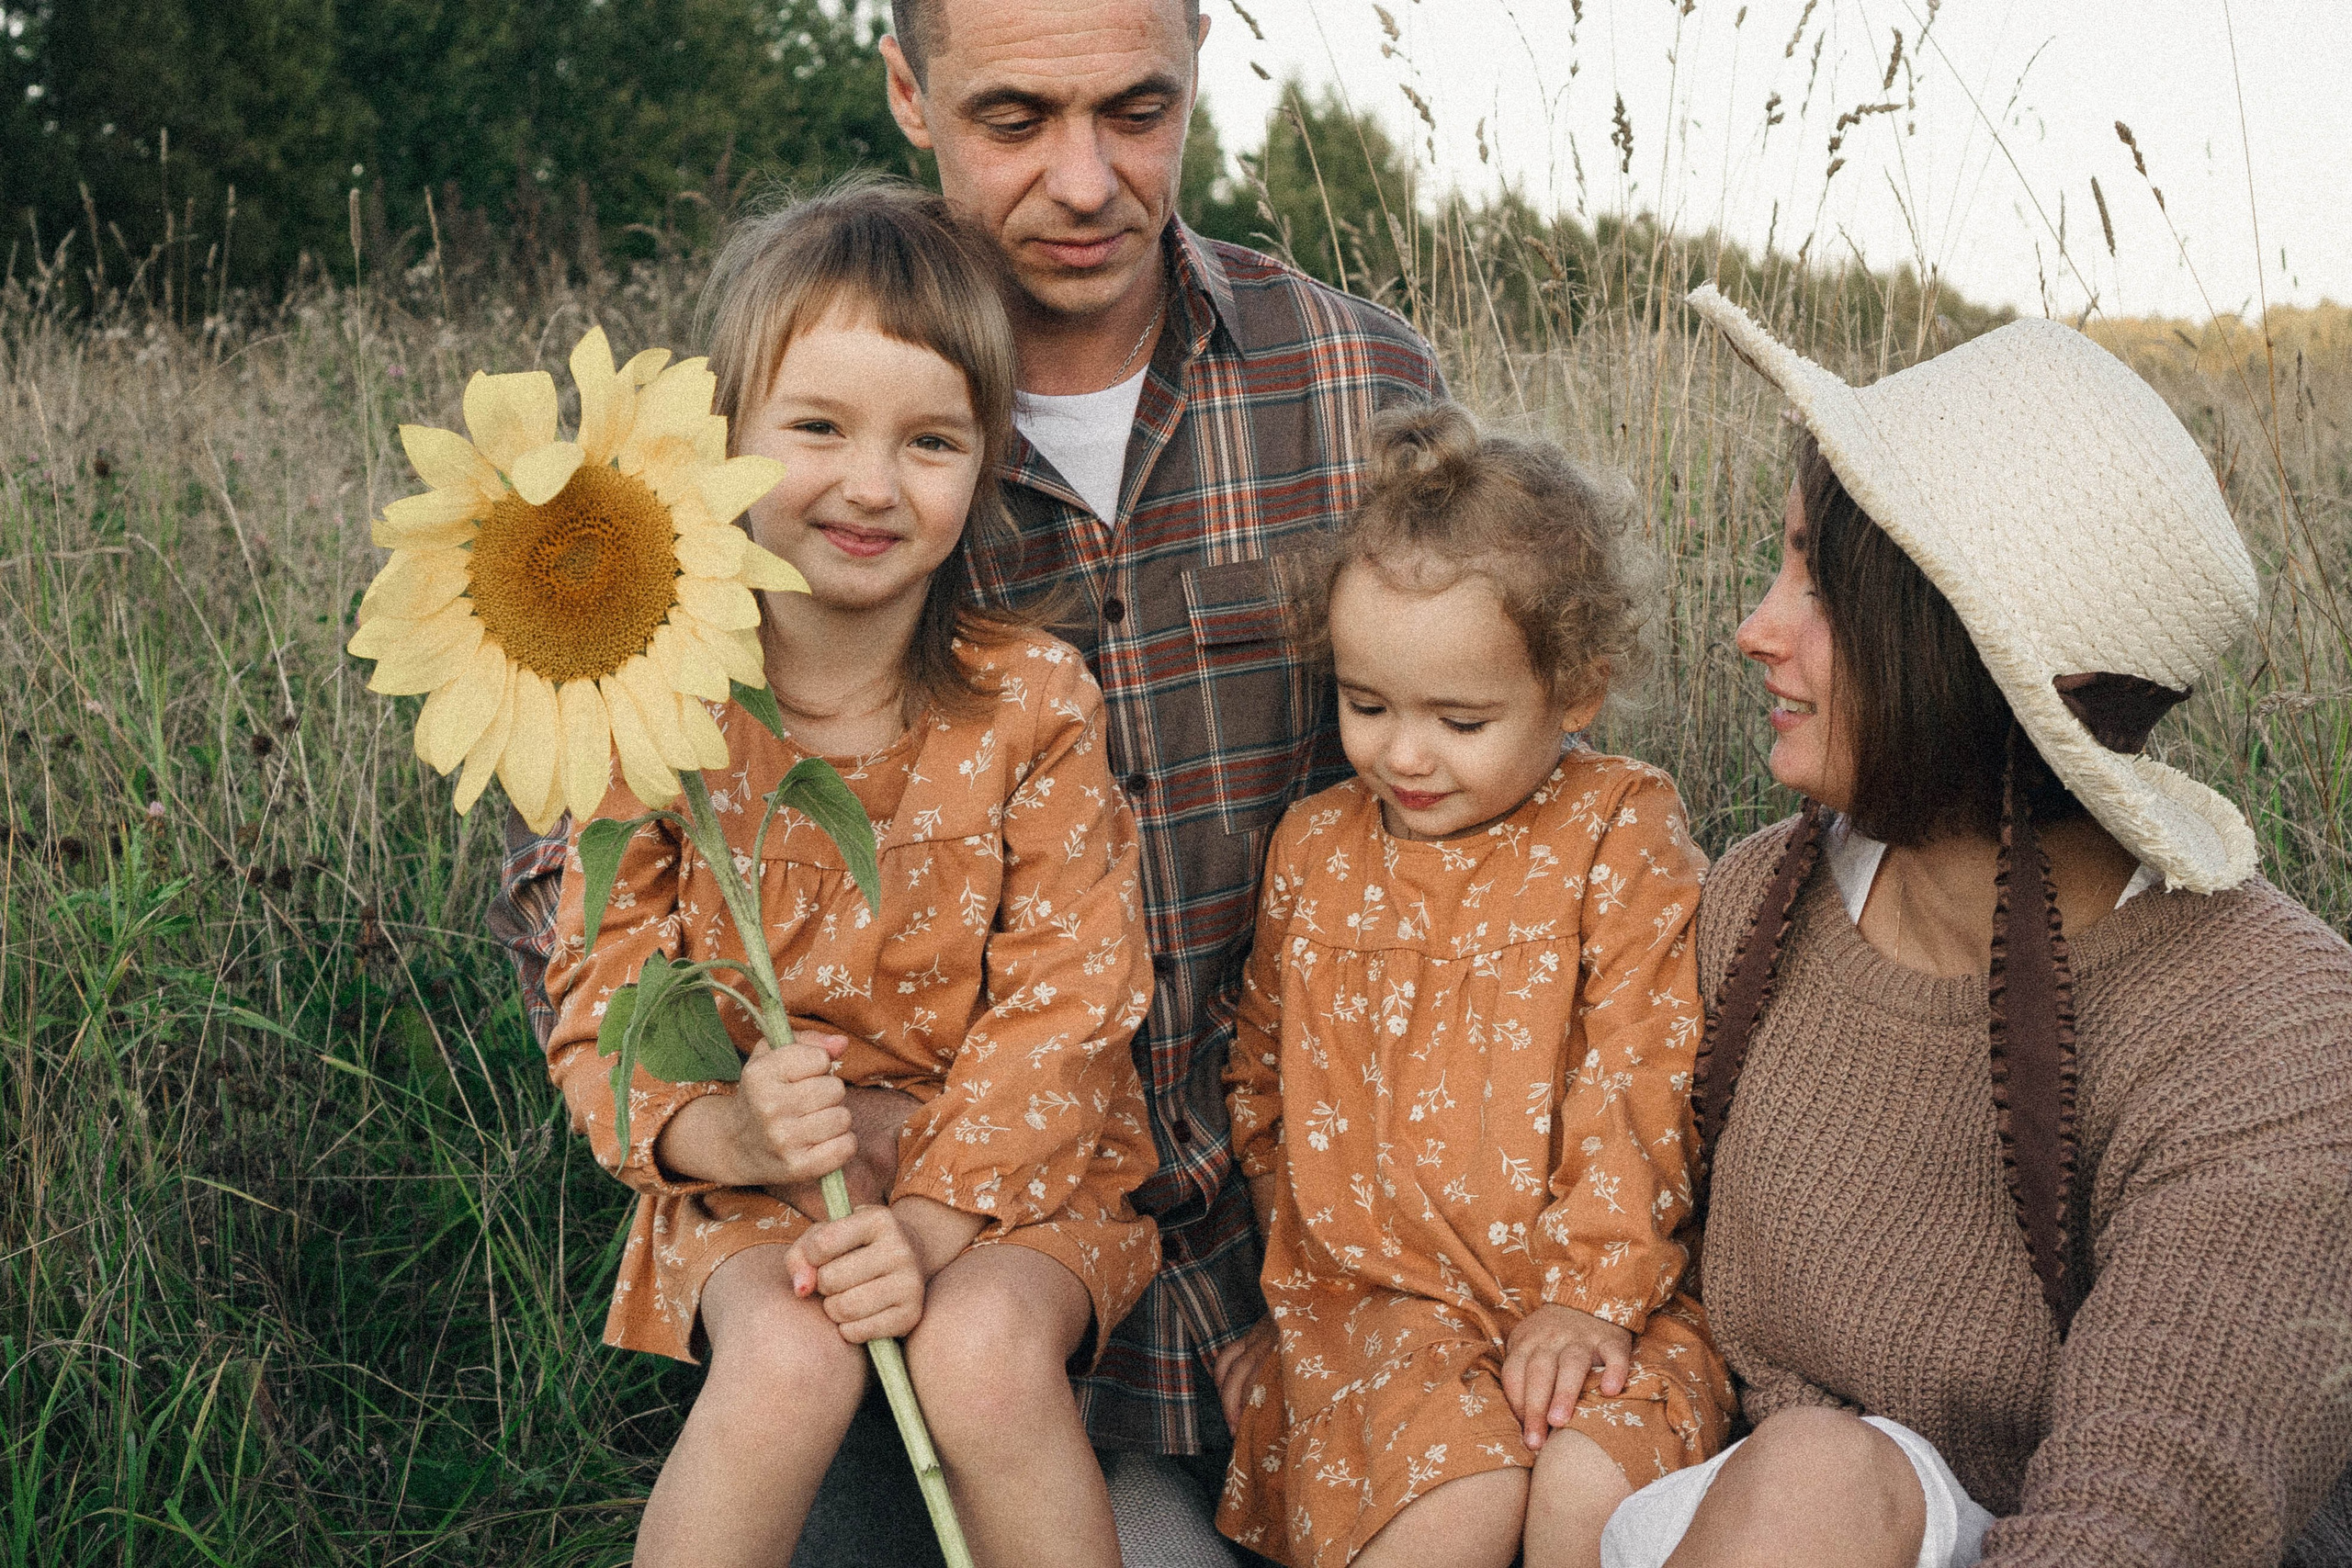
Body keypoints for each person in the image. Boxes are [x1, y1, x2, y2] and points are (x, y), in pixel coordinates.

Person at [490, 2, 1444, 1560]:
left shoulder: (1361, 384)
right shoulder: (736, 494)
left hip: (1212, 1234)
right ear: (906, 90)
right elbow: (580, 912)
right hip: (832, 1259)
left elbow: (1482, 778)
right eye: (1014, 120)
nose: (1083, 180)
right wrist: (722, 1120)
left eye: (1137, 112)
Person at [1597, 286, 2352, 1567]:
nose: (1756, 629)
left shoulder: (2268, 1035)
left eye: (1820, 587)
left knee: (1816, 1480)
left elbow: (2145, 1519)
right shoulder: (1746, 912)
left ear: (1956, 653)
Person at [537, 182, 1160, 1568]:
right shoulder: (659, 709)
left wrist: (933, 1218)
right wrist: (729, 1134)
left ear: (988, 463)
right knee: (789, 1362)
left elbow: (1073, 995)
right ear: (723, 445)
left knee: (987, 1354)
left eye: (929, 440)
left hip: (1013, 1181)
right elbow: (605, 990)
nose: (871, 485)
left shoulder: (1031, 700)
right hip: (764, 1183)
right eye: (816, 427)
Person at [1212, 404, 1732, 1568]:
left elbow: (1644, 1074)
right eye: (1367, 705)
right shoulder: (1314, 849)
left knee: (1587, 1492)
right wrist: (1292, 1311)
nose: (1404, 754)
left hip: (1611, 1296)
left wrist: (1592, 1297)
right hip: (1384, 1313)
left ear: (1576, 688)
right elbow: (1262, 1087)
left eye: (1460, 719)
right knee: (1453, 1509)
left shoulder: (1616, 830)